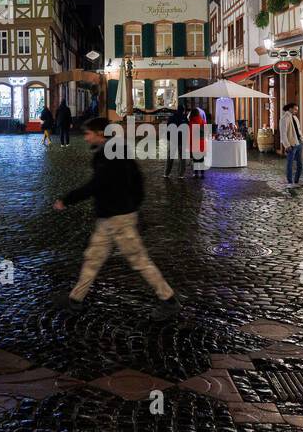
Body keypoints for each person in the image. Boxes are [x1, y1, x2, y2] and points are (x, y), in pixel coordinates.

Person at [53, 117, 179, 317]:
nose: (86, 138)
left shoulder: (109, 155)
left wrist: (67, 199)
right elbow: (138, 180)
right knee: (93, 258)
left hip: (118, 218)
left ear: (100, 134)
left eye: (88, 133)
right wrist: (133, 205)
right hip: (111, 216)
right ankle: (75, 298)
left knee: (139, 260)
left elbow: (96, 185)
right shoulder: (117, 151)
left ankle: (168, 299)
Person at [280, 102, 303, 188]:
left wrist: (302, 139)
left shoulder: (295, 118)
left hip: (299, 143)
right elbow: (283, 133)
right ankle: (290, 182)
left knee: (300, 164)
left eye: (297, 109)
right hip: (291, 145)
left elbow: (298, 130)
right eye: (295, 109)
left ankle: (296, 181)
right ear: (290, 108)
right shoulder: (284, 118)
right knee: (289, 164)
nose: (296, 111)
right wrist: (287, 145)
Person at [164, 104, 189, 179]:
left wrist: (168, 138)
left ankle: (166, 173)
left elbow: (168, 129)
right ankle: (181, 174)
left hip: (173, 140)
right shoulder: (184, 118)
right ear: (183, 111)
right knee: (182, 158)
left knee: (170, 158)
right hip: (181, 140)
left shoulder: (172, 117)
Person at [188, 104, 208, 178]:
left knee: (195, 160)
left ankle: (196, 174)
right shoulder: (202, 121)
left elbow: (190, 135)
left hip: (194, 143)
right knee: (202, 159)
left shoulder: (191, 122)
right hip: (202, 143)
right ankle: (202, 174)